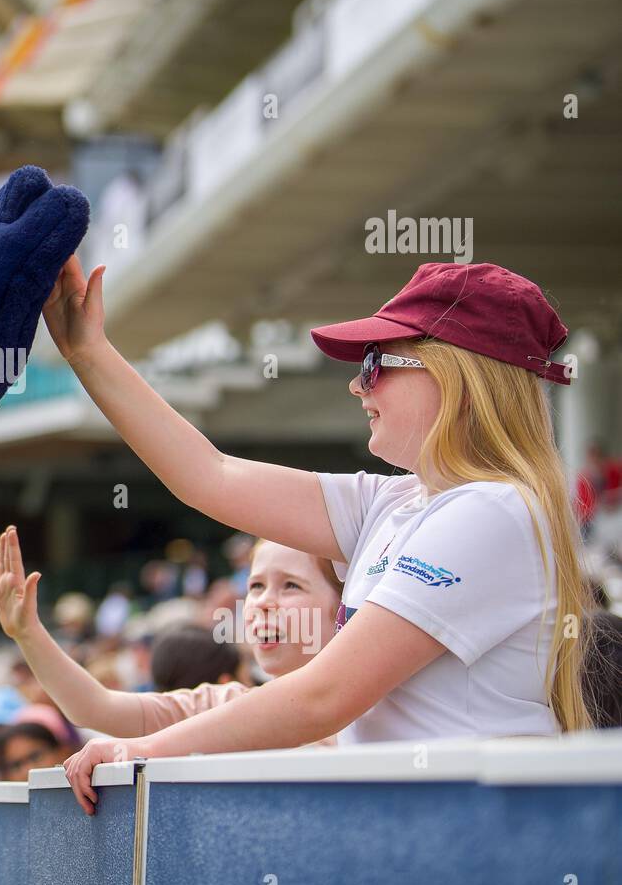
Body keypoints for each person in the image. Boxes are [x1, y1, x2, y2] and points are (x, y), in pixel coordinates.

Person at [37, 259, 594, 814]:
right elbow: (209, 477)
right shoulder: (402, 501)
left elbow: (323, 697)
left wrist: (142, 751)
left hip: (475, 849)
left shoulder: (494, 509)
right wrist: (88, 354)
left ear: (456, 380)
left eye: (376, 364)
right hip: (438, 832)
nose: (356, 385)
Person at [0, 530, 341, 749]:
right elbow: (96, 708)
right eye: (255, 586)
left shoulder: (387, 709)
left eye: (291, 585)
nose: (262, 601)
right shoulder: (228, 703)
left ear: (346, 606)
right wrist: (29, 633)